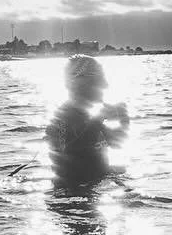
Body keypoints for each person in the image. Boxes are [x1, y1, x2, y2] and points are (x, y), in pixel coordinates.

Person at [46, 54, 129, 187]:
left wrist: (124, 120)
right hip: (72, 198)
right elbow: (67, 155)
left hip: (94, 189)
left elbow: (116, 143)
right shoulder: (61, 118)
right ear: (83, 85)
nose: (106, 85)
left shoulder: (88, 117)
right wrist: (98, 120)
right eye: (100, 80)